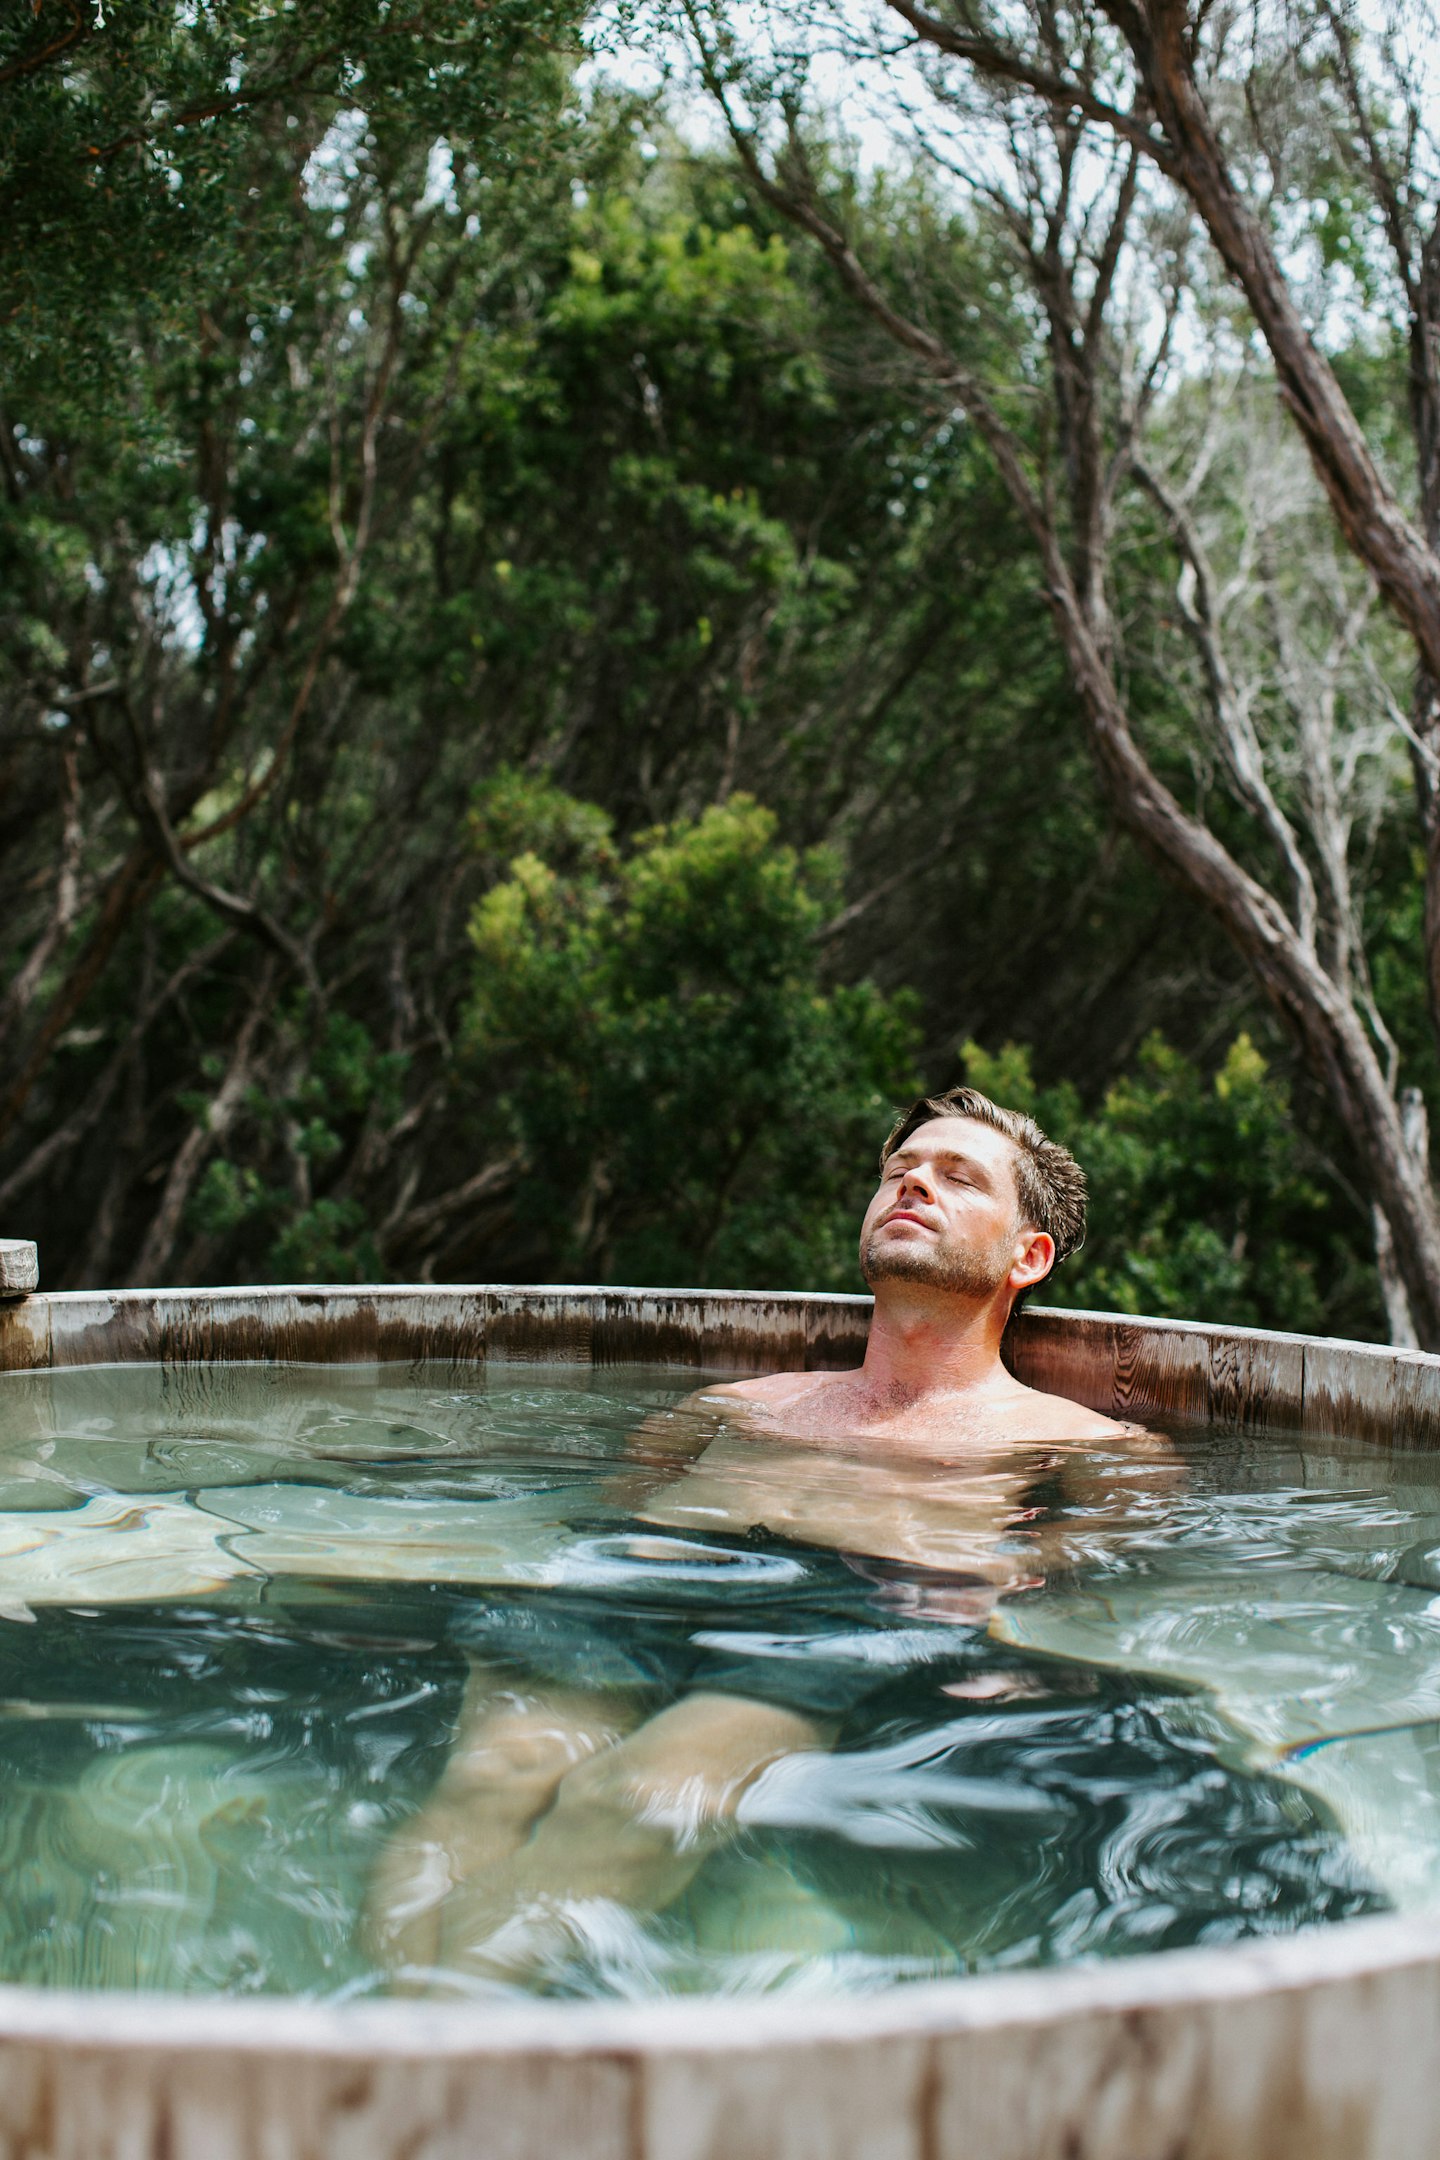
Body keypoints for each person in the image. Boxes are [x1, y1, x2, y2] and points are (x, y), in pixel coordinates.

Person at [367, 1087, 1175, 1989]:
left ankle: (431, 2059)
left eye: (958, 1177)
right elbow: (615, 1505)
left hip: (837, 1610)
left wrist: (1001, 1573)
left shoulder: (1082, 1441)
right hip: (637, 1577)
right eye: (899, 1173)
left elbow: (1105, 1556)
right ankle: (387, 2054)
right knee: (491, 1777)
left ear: (1029, 1255)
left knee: (642, 1798)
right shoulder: (736, 1408)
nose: (913, 1188)